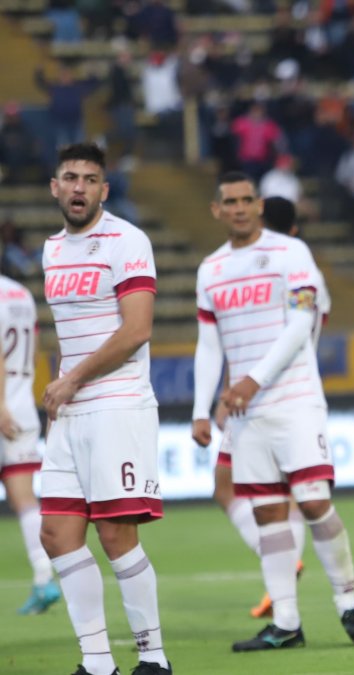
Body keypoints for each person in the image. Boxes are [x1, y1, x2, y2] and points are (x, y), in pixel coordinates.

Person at [191, 172, 354, 652]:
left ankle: (348, 602)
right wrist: (199, 412)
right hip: (245, 413)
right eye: (229, 201)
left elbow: (300, 323)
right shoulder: (210, 269)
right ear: (217, 209)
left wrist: (252, 380)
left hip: (294, 399)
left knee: (313, 501)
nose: (239, 208)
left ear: (257, 205)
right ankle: (287, 622)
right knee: (269, 513)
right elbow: (208, 346)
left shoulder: (292, 254)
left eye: (247, 199)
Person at [39, 142, 171, 674]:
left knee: (116, 534)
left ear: (104, 190)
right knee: (56, 534)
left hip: (117, 405)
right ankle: (97, 662)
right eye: (70, 177)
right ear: (55, 187)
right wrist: (62, 384)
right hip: (71, 410)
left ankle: (152, 658)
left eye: (90, 179)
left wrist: (70, 379)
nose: (78, 187)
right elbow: (71, 333)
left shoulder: (126, 240)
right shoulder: (51, 249)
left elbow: (137, 329)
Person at [0, 273, 60, 615]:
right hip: (23, 401)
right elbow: (35, 350)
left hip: (2, 404)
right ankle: (43, 578)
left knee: (23, 500)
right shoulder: (20, 293)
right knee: (25, 500)